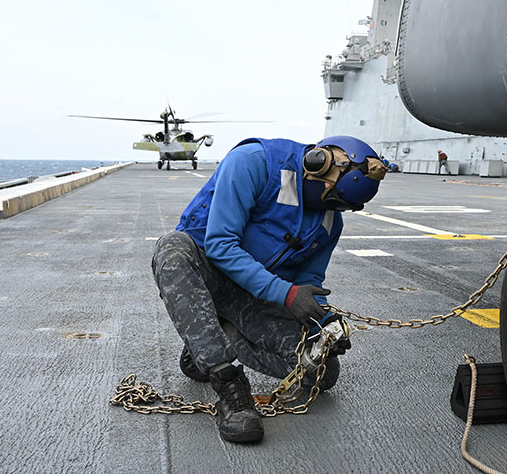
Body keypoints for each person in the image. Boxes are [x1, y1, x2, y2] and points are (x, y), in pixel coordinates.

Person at [151, 135, 388, 444]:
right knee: (172, 249)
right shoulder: (254, 162)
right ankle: (228, 386)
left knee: (322, 372)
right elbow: (220, 245)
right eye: (330, 198)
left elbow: (309, 282)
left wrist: (322, 325)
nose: (329, 209)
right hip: (206, 275)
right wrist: (287, 295)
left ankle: (216, 337)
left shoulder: (331, 221)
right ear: (317, 164)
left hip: (254, 295)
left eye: (339, 205)